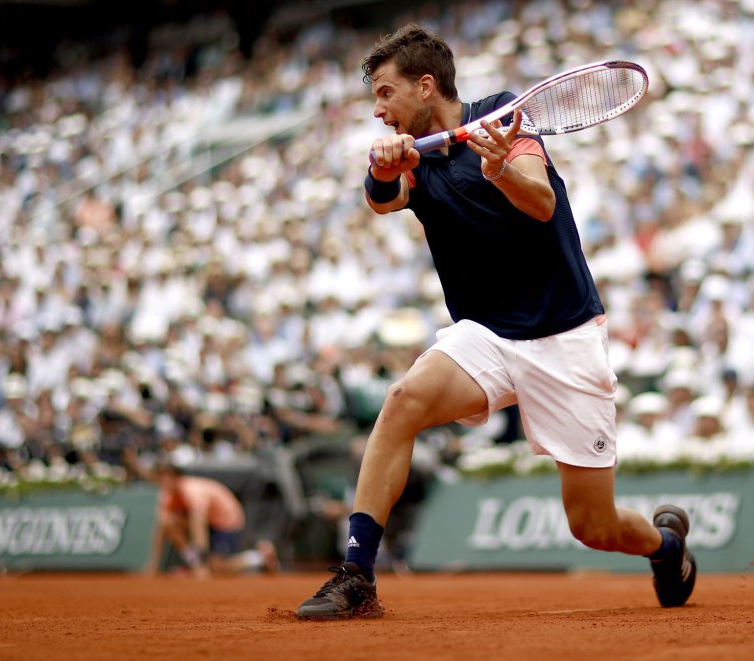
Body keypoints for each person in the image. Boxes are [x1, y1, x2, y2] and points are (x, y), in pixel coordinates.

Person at [295, 24, 697, 620]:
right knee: (403, 400)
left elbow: (542, 202)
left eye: (386, 93)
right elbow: (384, 200)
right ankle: (358, 575)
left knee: (594, 526)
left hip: (564, 335)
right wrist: (383, 169)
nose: (379, 111)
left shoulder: (506, 120)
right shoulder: (415, 156)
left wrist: (501, 167)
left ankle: (666, 548)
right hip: (485, 335)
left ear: (425, 86)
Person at [144, 462, 280, 577]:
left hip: (227, 522)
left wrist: (202, 564)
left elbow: (198, 524)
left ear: (175, 477)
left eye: (164, 477)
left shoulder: (193, 490)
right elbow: (161, 527)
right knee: (169, 523)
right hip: (210, 523)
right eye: (159, 477)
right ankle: (196, 564)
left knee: (219, 568)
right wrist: (153, 567)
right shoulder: (166, 494)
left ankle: (261, 557)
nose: (161, 481)